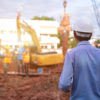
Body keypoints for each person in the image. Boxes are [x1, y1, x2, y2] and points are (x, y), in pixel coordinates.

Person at [58, 17, 100, 100]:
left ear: (74, 34)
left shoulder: (71, 54)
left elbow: (64, 84)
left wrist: (66, 89)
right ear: (91, 35)